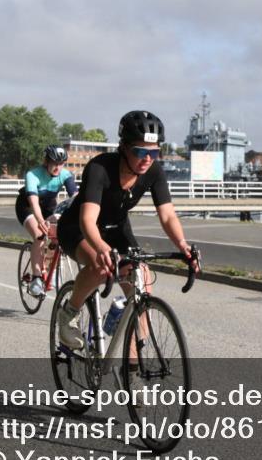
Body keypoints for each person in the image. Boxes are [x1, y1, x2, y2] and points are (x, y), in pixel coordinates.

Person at [56, 110, 198, 349]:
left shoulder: (153, 171)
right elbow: (88, 220)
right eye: (140, 151)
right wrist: (100, 247)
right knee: (101, 266)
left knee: (141, 285)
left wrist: (182, 245)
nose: (148, 158)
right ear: (123, 147)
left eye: (154, 152)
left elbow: (167, 215)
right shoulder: (100, 167)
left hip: (116, 229)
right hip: (78, 228)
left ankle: (133, 371)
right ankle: (69, 313)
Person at [15, 145, 78, 296]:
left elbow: (76, 198)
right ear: (46, 161)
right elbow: (34, 202)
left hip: (49, 207)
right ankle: (36, 279)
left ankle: (50, 269)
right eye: (55, 163)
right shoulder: (33, 174)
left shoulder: (65, 175)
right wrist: (40, 221)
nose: (58, 167)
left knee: (57, 236)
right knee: (40, 235)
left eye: (61, 164)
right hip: (28, 207)